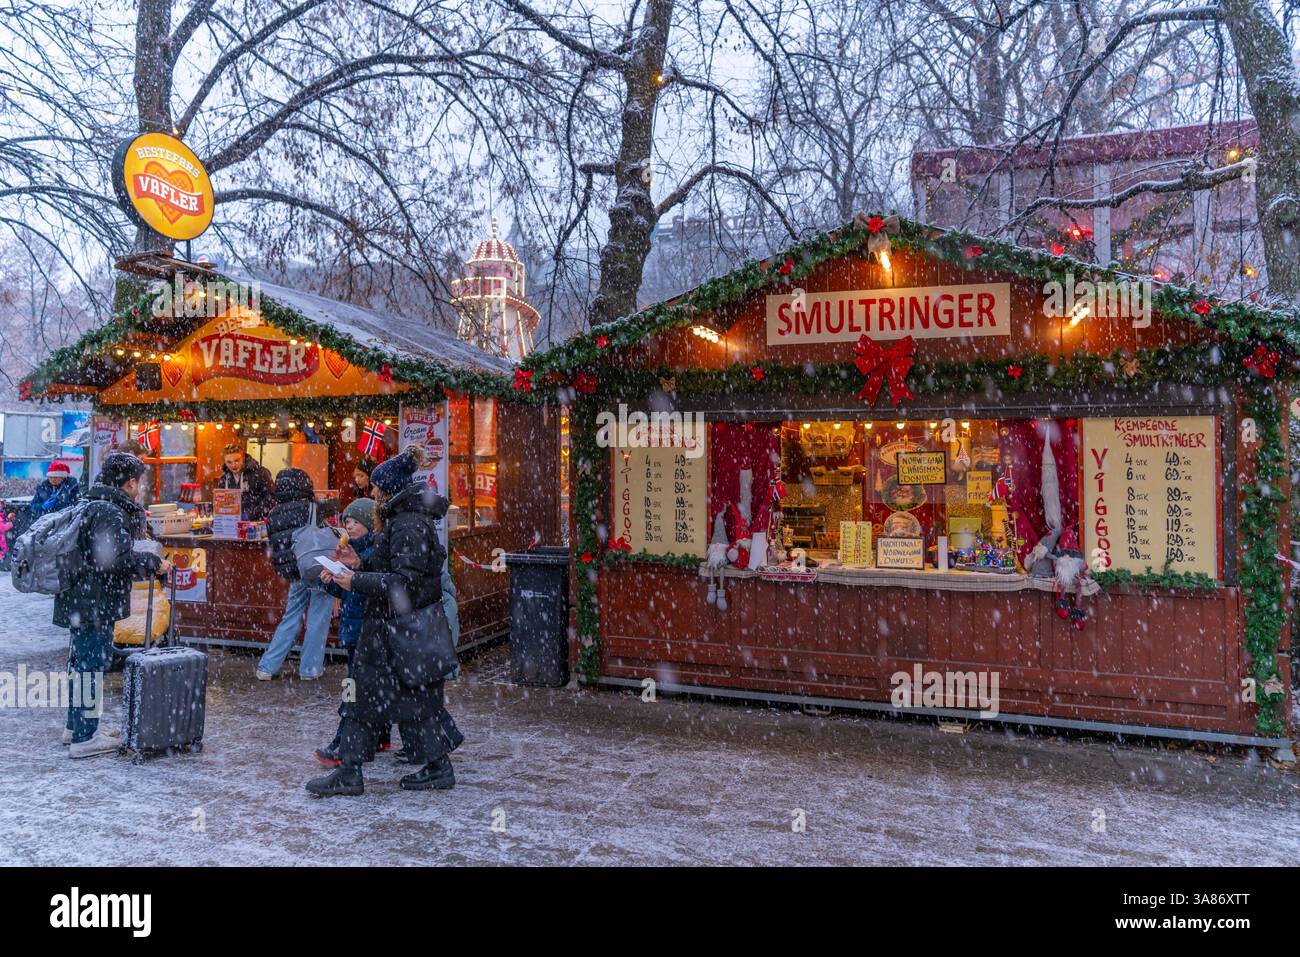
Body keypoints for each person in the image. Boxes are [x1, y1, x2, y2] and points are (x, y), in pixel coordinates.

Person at [307, 445, 463, 797]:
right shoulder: (404, 519)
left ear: (390, 489)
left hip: (393, 630)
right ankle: (433, 766)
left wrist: (354, 581)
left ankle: (351, 771)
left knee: (365, 698)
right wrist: (357, 566)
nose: (372, 492)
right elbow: (393, 572)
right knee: (408, 698)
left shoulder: (407, 524)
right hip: (396, 630)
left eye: (377, 487)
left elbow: (404, 584)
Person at [55, 452, 170, 758]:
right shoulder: (109, 511)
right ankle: (85, 737)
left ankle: (75, 726)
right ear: (130, 482)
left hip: (80, 599)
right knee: (91, 665)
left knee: (81, 664)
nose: (141, 488)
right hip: (95, 600)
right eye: (140, 482)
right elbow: (114, 560)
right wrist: (150, 561)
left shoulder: (90, 502)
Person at [313, 497, 386, 765]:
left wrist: (352, 575)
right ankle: (379, 735)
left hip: (366, 628)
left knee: (352, 687)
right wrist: (330, 581)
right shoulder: (348, 551)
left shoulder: (371, 556)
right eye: (347, 522)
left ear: (369, 524)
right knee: (362, 684)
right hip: (354, 627)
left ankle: (344, 741)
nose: (350, 526)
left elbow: (369, 589)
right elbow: (345, 591)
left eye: (356, 522)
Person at [257, 468, 333, 680]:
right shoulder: (314, 508)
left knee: (291, 616)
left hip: (296, 572)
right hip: (317, 567)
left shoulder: (273, 513)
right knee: (318, 616)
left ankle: (267, 667)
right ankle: (310, 669)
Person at [216, 444, 275, 521]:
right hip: (233, 523)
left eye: (237, 460)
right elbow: (220, 501)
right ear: (224, 462)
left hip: (257, 522)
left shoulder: (260, 473)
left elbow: (271, 498)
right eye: (229, 462)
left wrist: (251, 515)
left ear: (243, 457)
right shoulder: (224, 478)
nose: (233, 465)